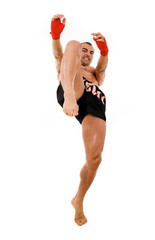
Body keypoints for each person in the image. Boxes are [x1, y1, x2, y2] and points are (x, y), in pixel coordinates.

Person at [50, 14, 109, 226]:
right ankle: (69, 97)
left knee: (95, 159)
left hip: (94, 104)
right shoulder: (68, 61)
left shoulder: (94, 73)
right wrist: (56, 35)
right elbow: (60, 54)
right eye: (86, 50)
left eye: (91, 52)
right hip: (72, 89)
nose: (88, 54)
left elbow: (102, 68)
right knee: (71, 43)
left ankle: (78, 199)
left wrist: (104, 51)